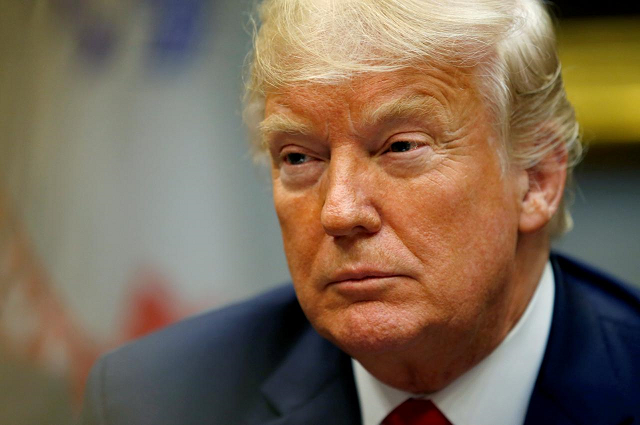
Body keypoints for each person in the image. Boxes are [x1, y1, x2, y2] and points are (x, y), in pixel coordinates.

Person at [81, 0, 640, 424]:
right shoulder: (156, 400)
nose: (340, 211)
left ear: (537, 178)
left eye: (400, 147)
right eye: (299, 157)